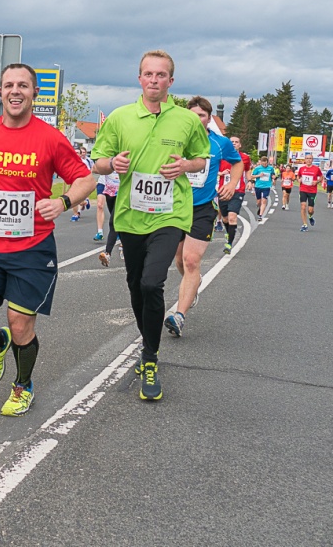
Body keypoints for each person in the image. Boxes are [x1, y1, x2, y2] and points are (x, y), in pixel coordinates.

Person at [0, 64, 94, 416]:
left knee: (21, 322)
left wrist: (63, 201)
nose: (15, 90)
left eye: (23, 85)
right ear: (0, 92)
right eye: (9, 85)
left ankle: (23, 385)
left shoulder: (50, 137)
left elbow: (85, 180)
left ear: (34, 92)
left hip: (32, 248)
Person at [91, 50, 209, 401]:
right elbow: (98, 163)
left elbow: (201, 160)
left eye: (161, 75)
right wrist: (112, 162)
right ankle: (148, 340)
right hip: (130, 214)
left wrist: (185, 166)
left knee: (151, 281)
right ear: (139, 78)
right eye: (148, 74)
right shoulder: (120, 118)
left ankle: (150, 356)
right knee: (135, 286)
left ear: (171, 81)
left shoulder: (187, 120)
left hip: (171, 213)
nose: (154, 80)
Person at [164, 96, 241, 338]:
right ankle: (192, 286)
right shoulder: (176, 139)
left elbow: (237, 163)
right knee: (178, 260)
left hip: (203, 209)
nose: (197, 119)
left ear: (209, 118)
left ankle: (179, 315)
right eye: (193, 114)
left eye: (202, 115)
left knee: (191, 261)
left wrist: (233, 184)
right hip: (175, 206)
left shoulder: (219, 143)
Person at [217, 136, 251, 253]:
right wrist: (221, 173)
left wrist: (250, 181)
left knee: (232, 217)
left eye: (237, 142)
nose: (234, 144)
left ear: (240, 145)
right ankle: (229, 233)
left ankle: (229, 244)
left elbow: (247, 170)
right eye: (232, 142)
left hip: (238, 191)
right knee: (225, 219)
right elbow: (213, 170)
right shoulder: (221, 156)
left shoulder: (245, 158)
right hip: (223, 190)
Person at [97, 171, 122, 266]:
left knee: (113, 222)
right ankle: (123, 244)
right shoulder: (107, 156)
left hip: (122, 189)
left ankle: (107, 253)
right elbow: (96, 168)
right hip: (109, 188)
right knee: (117, 222)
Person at [297, 155, 323, 231]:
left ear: (312, 160)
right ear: (305, 159)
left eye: (310, 158)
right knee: (303, 206)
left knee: (310, 210)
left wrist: (317, 181)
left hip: (312, 191)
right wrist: (299, 180)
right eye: (307, 158)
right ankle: (304, 225)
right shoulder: (302, 169)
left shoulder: (316, 169)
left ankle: (310, 217)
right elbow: (298, 177)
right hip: (303, 189)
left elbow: (321, 177)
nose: (308, 160)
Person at [69, 146, 94, 222]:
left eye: (77, 152)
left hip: (82, 181)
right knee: (73, 198)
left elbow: (88, 172)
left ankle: (85, 201)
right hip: (73, 181)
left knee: (80, 199)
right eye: (74, 152)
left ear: (80, 154)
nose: (76, 154)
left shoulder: (84, 162)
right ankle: (76, 214)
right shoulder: (70, 161)